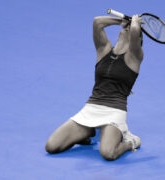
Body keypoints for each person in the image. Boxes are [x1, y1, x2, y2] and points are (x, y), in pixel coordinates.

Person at [45, 14, 144, 161]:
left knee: (108, 153)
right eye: (126, 27)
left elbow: (136, 33)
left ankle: (130, 142)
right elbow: (97, 22)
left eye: (130, 29)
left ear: (137, 39)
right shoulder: (103, 50)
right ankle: (88, 133)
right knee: (51, 146)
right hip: (91, 108)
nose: (127, 29)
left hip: (114, 112)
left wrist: (135, 24)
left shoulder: (134, 57)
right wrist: (122, 21)